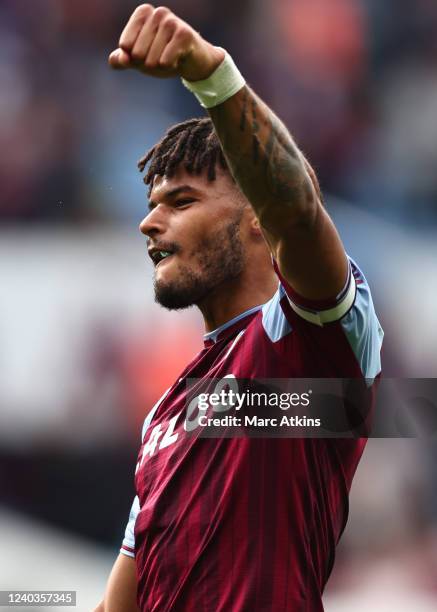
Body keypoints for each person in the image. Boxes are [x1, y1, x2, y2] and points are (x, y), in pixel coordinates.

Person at [95, 5, 384, 611]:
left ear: (255, 215)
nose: (148, 222)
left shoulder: (307, 344)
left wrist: (212, 75)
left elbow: (298, 212)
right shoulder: (166, 419)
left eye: (181, 200)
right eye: (153, 203)